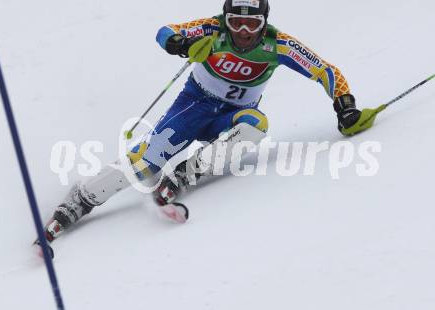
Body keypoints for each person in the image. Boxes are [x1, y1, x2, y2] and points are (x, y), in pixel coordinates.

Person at [38, 0, 372, 249]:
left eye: (252, 23)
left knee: (255, 125)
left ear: (264, 22)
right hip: (192, 108)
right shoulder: (213, 29)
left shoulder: (278, 45)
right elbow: (166, 32)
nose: (243, 32)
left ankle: (185, 174)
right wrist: (178, 44)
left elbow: (325, 70)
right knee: (145, 164)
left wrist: (345, 106)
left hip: (229, 117)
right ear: (226, 19)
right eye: (236, 23)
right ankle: (81, 199)